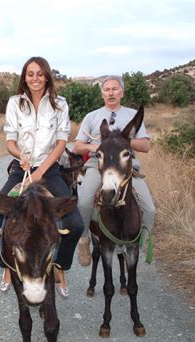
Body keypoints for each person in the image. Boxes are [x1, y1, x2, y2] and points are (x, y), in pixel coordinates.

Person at [0, 57, 84, 296]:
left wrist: (39, 173)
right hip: (22, 169)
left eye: (40, 74)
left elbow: (61, 143)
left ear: (47, 76)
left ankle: (60, 266)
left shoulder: (60, 104)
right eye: (30, 74)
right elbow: (9, 141)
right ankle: (8, 266)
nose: (35, 78)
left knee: (76, 224)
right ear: (24, 77)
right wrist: (20, 155)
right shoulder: (14, 103)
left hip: (49, 171)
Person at [73, 75, 155, 266]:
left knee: (149, 209)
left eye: (115, 89)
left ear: (122, 92)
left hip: (126, 168)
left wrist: (120, 143)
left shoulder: (133, 116)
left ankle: (139, 245)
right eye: (107, 89)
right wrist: (97, 148)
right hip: (97, 165)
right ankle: (84, 241)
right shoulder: (91, 117)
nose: (111, 93)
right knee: (84, 203)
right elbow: (77, 147)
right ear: (102, 93)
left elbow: (145, 146)